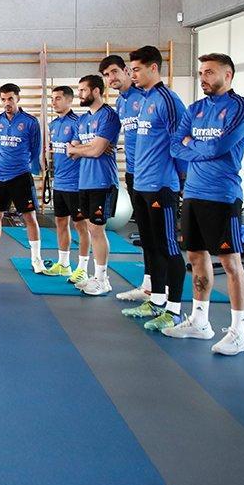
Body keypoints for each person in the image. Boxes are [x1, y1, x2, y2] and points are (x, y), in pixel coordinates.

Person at [165, 53, 244, 353]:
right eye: (201, 72)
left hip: (223, 195)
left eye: (210, 72)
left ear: (228, 76)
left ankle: (239, 332)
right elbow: (176, 145)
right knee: (196, 258)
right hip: (193, 193)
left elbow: (221, 146)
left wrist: (194, 145)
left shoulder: (240, 108)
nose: (203, 77)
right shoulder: (195, 109)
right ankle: (200, 321)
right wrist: (198, 147)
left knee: (230, 262)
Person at [120, 46, 190, 330]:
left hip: (163, 185)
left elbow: (181, 143)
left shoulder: (168, 100)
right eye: (131, 70)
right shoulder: (145, 100)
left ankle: (174, 310)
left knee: (168, 246)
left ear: (153, 68)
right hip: (142, 182)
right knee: (149, 244)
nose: (132, 75)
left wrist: (182, 182)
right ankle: (156, 299)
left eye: (136, 70)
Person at [0, 83, 44, 273]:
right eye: (3, 99)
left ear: (18, 98)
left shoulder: (30, 122)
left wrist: (35, 170)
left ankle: (36, 259)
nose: (7, 103)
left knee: (30, 217)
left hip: (21, 176)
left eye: (10, 98)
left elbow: (36, 149)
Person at [101, 55, 155, 303]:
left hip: (155, 176)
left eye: (114, 72)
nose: (111, 78)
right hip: (134, 173)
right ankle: (147, 286)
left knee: (159, 240)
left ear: (126, 70)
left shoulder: (145, 97)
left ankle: (162, 295)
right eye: (106, 75)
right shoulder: (121, 103)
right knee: (145, 234)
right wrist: (111, 145)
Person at [67, 74, 121, 296]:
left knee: (97, 230)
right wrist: (88, 147)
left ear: (96, 91)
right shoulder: (82, 120)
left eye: (83, 90)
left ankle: (102, 279)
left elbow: (97, 151)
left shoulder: (109, 116)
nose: (79, 94)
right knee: (90, 229)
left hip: (103, 181)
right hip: (84, 181)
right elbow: (71, 151)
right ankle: (96, 276)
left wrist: (89, 148)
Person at [42, 85, 89, 280]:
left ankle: (83, 269)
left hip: (76, 184)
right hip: (59, 182)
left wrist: (74, 148)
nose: (54, 102)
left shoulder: (78, 122)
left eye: (58, 98)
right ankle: (64, 264)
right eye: (52, 98)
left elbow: (78, 150)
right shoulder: (53, 125)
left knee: (81, 227)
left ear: (69, 100)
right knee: (60, 223)